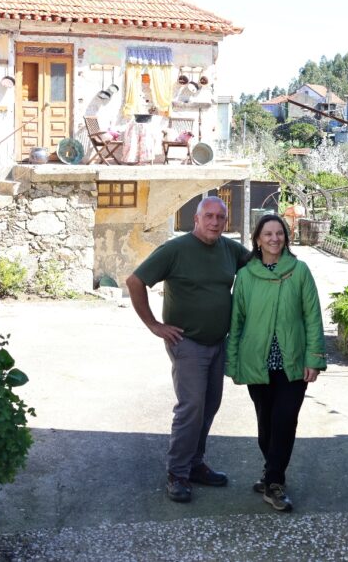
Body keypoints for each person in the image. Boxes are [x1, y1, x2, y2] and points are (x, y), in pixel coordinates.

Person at [126, 196, 250, 503]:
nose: (214, 222)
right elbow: (135, 281)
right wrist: (154, 325)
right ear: (196, 219)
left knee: (209, 405)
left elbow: (260, 263)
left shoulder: (229, 249)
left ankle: (195, 464)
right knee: (191, 407)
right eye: (208, 216)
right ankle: (177, 473)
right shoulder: (175, 249)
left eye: (220, 218)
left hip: (217, 342)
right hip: (188, 343)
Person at [226, 214, 325, 512]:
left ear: (286, 238)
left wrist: (314, 358)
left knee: (285, 421)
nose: (274, 238)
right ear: (257, 240)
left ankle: (275, 483)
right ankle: (271, 470)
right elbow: (237, 320)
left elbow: (313, 317)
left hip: (292, 362)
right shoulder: (245, 276)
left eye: (279, 233)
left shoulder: (300, 271)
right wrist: (232, 362)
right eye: (267, 234)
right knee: (265, 424)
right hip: (257, 362)